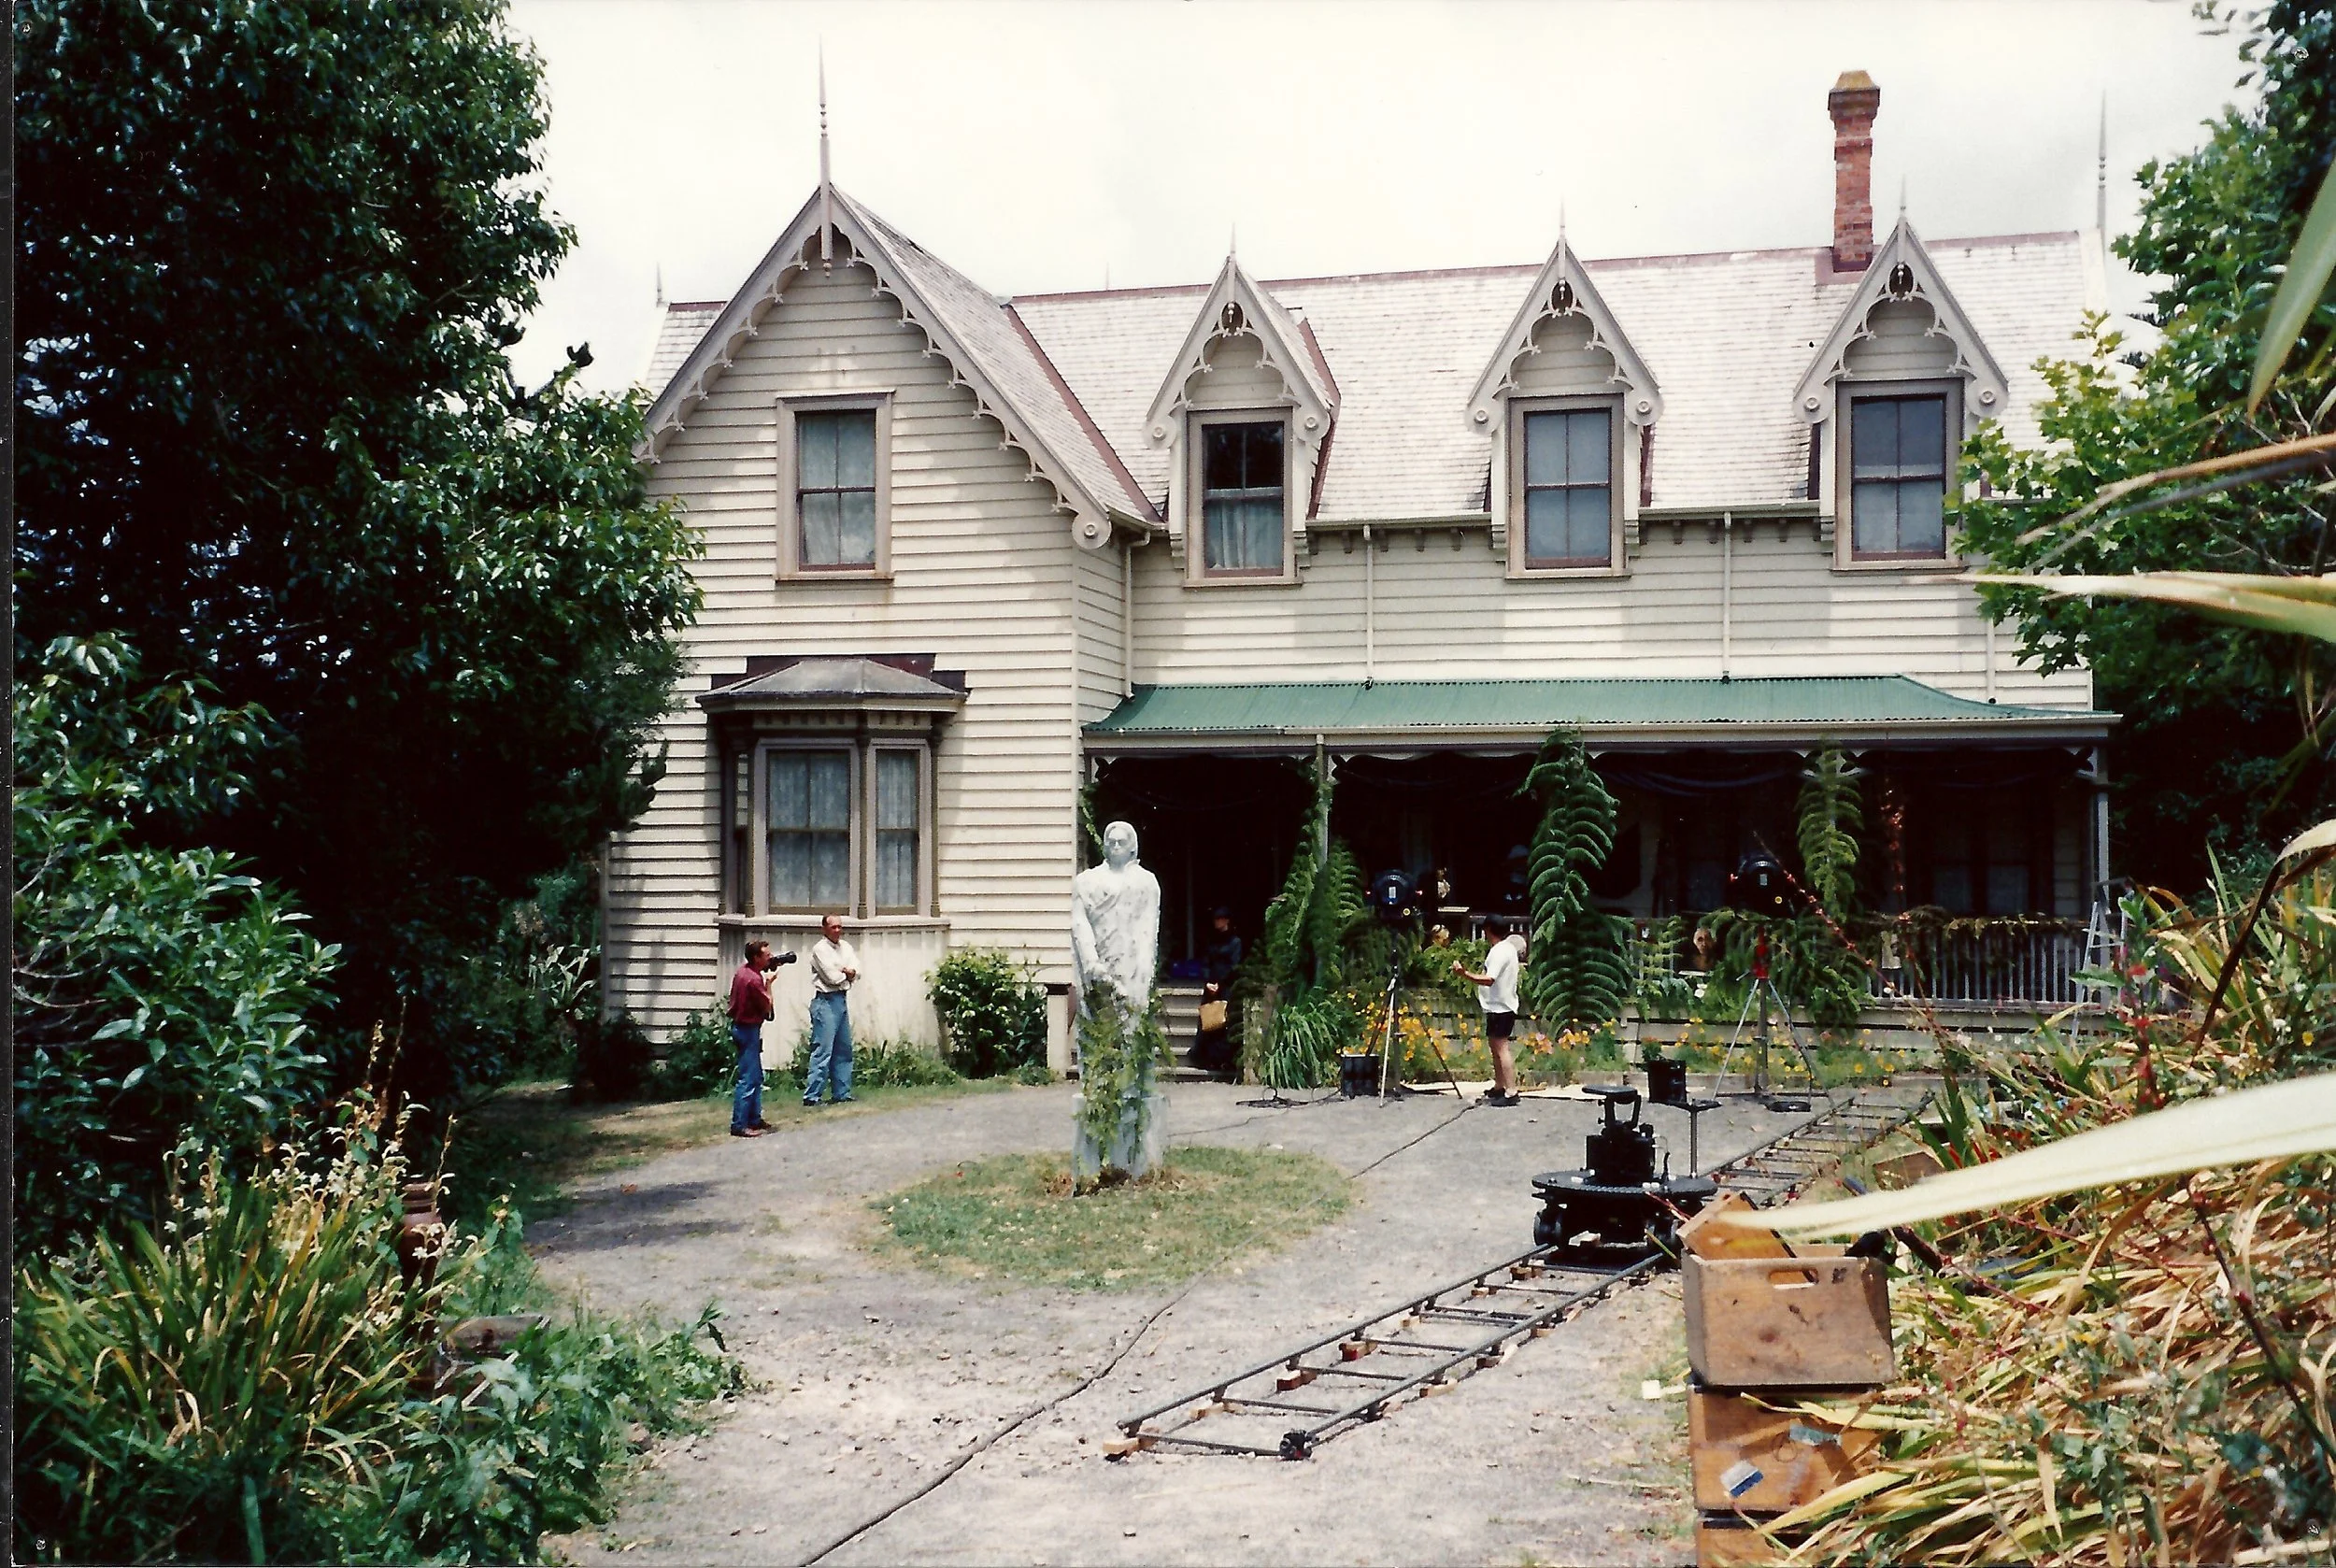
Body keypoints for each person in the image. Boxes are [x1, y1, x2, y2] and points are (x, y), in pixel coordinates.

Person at [1454, 919, 1529, 1106]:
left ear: (1489, 929)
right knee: (1495, 1048)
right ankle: (1499, 1085)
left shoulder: (1499, 952)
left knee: (1501, 1048)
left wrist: (1464, 974)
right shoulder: (1507, 948)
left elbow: (1489, 979)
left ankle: (1511, 1091)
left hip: (1501, 1007)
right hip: (1498, 1005)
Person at [804, 914, 859, 1106]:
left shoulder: (846, 947)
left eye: (839, 927)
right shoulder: (820, 949)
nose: (837, 930)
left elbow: (856, 970)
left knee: (844, 1049)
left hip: (841, 999)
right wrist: (846, 973)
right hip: (825, 1001)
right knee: (823, 1049)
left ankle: (841, 1092)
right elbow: (831, 977)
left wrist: (847, 972)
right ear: (824, 929)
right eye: (833, 927)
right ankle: (812, 1095)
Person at [728, 939, 777, 1137]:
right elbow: (767, 1006)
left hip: (741, 1027)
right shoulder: (755, 980)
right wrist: (769, 984)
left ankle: (754, 1118)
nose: (770, 958)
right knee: (748, 1078)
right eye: (766, 956)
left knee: (756, 1076)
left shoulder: (742, 972)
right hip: (748, 1029)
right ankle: (739, 1124)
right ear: (757, 958)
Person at [1192, 907, 1242, 1077]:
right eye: (1216, 919)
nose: (1217, 922)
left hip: (1225, 987)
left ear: (1227, 921)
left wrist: (1220, 983)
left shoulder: (1235, 942)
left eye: (1220, 919)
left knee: (1223, 1023)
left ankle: (1222, 1059)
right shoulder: (1211, 941)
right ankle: (1205, 1058)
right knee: (1207, 1022)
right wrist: (1208, 981)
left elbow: (1234, 966)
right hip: (1211, 987)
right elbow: (1205, 961)